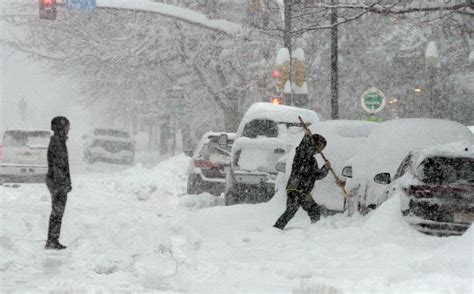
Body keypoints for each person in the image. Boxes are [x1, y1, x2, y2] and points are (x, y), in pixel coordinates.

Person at [273, 130, 330, 230]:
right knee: (291, 210)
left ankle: (315, 229)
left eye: (322, 149)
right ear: (315, 144)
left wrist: (325, 168)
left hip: (304, 191)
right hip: (295, 189)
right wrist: (306, 137)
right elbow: (301, 148)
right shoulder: (302, 154)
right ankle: (276, 228)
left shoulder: (312, 160)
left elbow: (316, 175)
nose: (320, 151)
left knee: (313, 210)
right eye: (320, 147)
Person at [45, 116, 72, 250]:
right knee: (57, 212)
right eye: (67, 126)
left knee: (57, 212)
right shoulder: (57, 143)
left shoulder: (59, 141)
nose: (69, 129)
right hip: (57, 183)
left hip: (57, 182)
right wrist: (62, 185)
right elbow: (59, 166)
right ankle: (52, 240)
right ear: (61, 127)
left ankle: (53, 239)